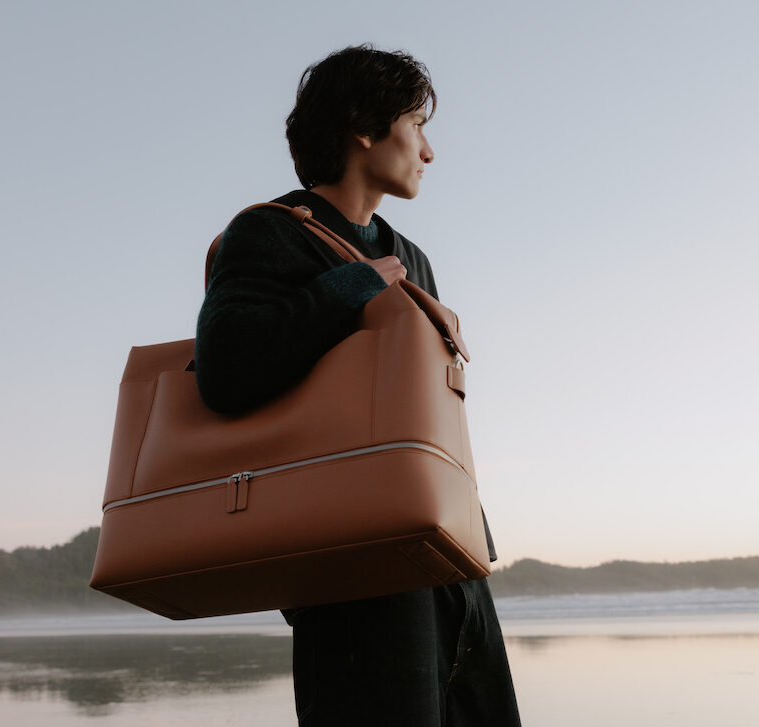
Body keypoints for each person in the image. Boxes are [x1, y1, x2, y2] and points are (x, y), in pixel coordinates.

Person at [194, 45, 522, 726]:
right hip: (354, 575)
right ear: (363, 128)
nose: (428, 151)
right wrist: (353, 285)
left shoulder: (414, 258)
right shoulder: (268, 232)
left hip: (449, 560)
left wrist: (470, 541)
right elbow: (225, 370)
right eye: (417, 124)